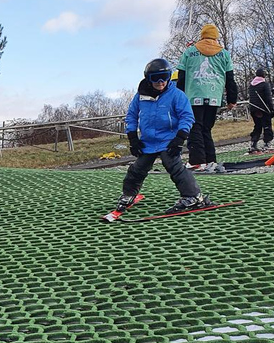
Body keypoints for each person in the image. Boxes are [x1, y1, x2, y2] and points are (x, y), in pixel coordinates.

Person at [116, 59, 213, 215]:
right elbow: (132, 115)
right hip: (148, 142)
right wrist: (133, 138)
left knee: (175, 167)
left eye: (165, 77)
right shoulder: (140, 96)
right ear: (148, 79)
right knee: (137, 169)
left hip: (169, 140)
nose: (161, 82)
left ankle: (193, 196)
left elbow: (187, 116)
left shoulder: (176, 95)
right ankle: (129, 194)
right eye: (156, 78)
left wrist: (180, 137)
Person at [176, 23, 238, 170]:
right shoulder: (224, 54)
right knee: (206, 128)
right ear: (216, 37)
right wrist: (231, 100)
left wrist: (179, 98)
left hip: (193, 95)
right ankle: (210, 159)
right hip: (214, 96)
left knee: (194, 127)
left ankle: (197, 161)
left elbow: (181, 77)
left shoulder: (190, 52)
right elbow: (230, 78)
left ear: (202, 36)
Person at [248, 67, 273, 153]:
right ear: (263, 75)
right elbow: (268, 98)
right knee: (267, 126)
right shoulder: (264, 84)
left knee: (257, 126)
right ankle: (267, 144)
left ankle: (253, 144)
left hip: (254, 109)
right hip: (263, 109)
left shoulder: (251, 85)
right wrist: (272, 109)